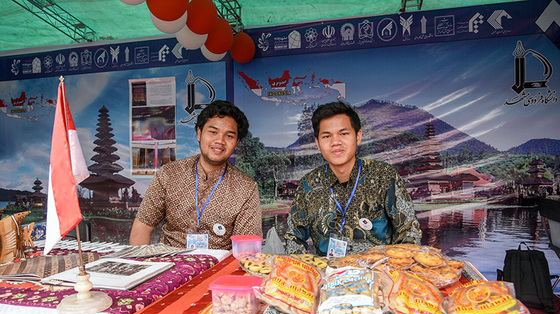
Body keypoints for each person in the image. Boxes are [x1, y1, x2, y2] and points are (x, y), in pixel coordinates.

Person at [285, 100, 421, 256]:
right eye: (327, 136)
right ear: (317, 143)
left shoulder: (384, 176)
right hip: (329, 275)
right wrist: (303, 272)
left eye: (343, 134)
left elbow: (409, 230)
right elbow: (293, 237)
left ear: (358, 136)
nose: (335, 142)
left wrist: (398, 266)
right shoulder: (308, 184)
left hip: (379, 274)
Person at [129, 100, 262, 250]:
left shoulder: (246, 188)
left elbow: (246, 248)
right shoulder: (169, 174)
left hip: (217, 269)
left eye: (229, 136)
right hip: (169, 265)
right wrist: (142, 266)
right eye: (213, 132)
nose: (220, 141)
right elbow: (143, 225)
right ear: (199, 133)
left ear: (236, 142)